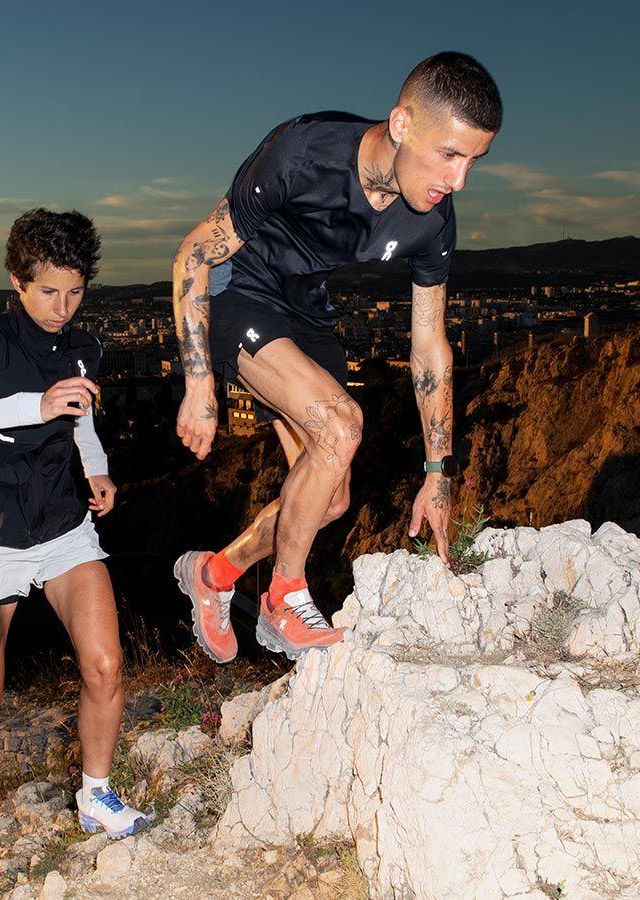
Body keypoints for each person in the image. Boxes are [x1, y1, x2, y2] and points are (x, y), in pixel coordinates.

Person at [171, 52, 501, 662]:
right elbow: (193, 254)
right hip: (238, 287)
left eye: (473, 161)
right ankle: (283, 595)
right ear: (401, 125)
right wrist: (198, 384)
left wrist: (438, 472)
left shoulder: (433, 220)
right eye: (449, 155)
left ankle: (213, 574)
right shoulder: (302, 154)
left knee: (331, 498)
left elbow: (429, 346)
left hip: (305, 305)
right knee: (341, 424)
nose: (458, 181)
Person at [0, 209, 150, 843]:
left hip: (63, 528)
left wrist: (96, 468)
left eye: (75, 292)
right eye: (48, 290)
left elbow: (83, 417)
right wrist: (31, 404)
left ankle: (97, 794)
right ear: (18, 280)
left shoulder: (82, 347)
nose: (62, 306)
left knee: (105, 665)